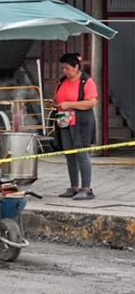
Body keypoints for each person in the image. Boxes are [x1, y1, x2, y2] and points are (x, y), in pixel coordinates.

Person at [54, 53, 98, 201]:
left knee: (82, 154)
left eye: (67, 68)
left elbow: (91, 102)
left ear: (76, 67)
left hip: (80, 122)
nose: (65, 71)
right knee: (69, 154)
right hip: (64, 121)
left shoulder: (86, 81)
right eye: (63, 68)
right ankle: (74, 187)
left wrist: (70, 104)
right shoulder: (62, 81)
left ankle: (86, 188)